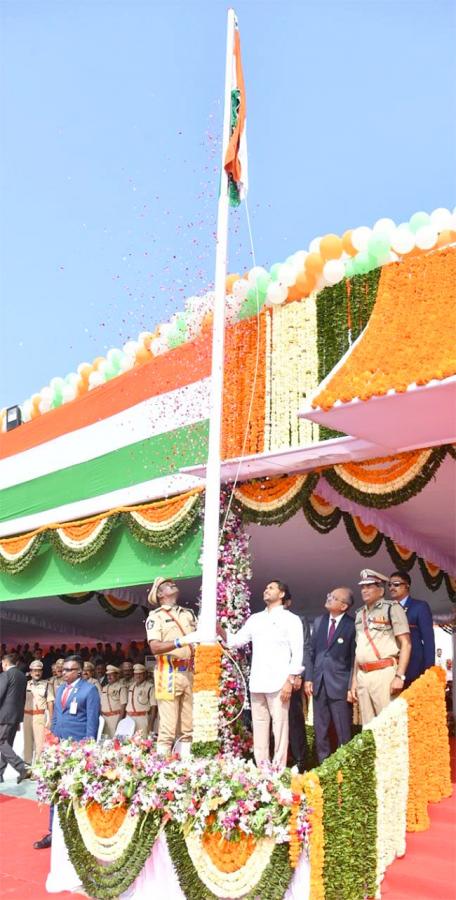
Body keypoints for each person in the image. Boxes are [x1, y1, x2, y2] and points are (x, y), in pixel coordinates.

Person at [219, 580, 303, 769]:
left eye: (271, 587)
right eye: (265, 587)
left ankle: (279, 768)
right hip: (258, 681)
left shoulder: (291, 619)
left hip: (279, 682)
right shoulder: (255, 619)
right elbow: (236, 641)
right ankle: (262, 769)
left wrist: (290, 680)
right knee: (259, 726)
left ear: (281, 594)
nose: (266, 589)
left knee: (280, 727)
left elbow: (297, 653)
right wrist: (219, 630)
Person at [34, 655, 101, 849]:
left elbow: (92, 723)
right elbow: (57, 717)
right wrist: (52, 739)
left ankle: (78, 833)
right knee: (56, 788)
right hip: (59, 747)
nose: (63, 673)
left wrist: (88, 749)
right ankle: (54, 832)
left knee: (76, 790)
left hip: (77, 748)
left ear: (78, 671)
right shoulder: (61, 688)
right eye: (62, 670)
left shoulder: (90, 690)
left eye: (67, 670)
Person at [351, 569, 411, 725]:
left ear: (381, 589)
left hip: (384, 672)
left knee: (389, 725)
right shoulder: (360, 614)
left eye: (369, 586)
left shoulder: (392, 608)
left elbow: (406, 643)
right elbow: (359, 649)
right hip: (363, 674)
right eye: (362, 587)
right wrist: (354, 681)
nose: (364, 590)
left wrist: (399, 676)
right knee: (368, 727)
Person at [146, 577, 197, 755]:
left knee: (188, 724)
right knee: (167, 725)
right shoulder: (156, 617)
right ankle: (162, 768)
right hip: (167, 672)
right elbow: (154, 647)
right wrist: (180, 641)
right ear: (160, 594)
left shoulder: (188, 613)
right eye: (167, 584)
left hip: (189, 671)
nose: (172, 584)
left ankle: (186, 765)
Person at [305, 587, 356, 763]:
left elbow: (353, 659)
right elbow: (311, 652)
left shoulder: (352, 625)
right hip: (319, 684)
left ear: (344, 606)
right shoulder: (319, 621)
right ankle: (323, 767)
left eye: (334, 598)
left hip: (340, 686)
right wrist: (309, 678)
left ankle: (346, 766)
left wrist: (350, 686)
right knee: (321, 730)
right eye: (329, 595)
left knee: (343, 730)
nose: (329, 598)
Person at [388, 571, 435, 686]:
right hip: (390, 667)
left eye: (396, 584)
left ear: (407, 586)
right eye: (389, 585)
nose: (392, 588)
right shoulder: (387, 608)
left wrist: (429, 671)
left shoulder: (419, 606)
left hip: (413, 666)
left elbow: (428, 640)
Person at [283, 596, 311, 772]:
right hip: (271, 679)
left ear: (288, 602)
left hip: (291, 677)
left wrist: (299, 675)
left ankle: (300, 759)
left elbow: (304, 648)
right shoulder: (265, 621)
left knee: (294, 718)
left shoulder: (298, 620)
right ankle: (280, 758)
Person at [0, 653, 31, 784]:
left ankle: (21, 767)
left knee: (2, 743)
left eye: (2, 663)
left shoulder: (5, 675)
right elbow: (22, 698)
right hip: (15, 715)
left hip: (4, 715)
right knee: (7, 744)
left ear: (5, 663)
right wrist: (19, 717)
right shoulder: (22, 676)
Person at [23, 660, 54, 766]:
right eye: (35, 670)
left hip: (39, 716)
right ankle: (27, 766)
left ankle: (37, 767)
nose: (37, 673)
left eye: (39, 671)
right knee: (27, 742)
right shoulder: (26, 684)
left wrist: (51, 718)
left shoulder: (47, 685)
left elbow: (50, 702)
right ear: (30, 672)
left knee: (39, 743)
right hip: (26, 715)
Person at [125, 664, 157, 737]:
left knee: (142, 742)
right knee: (128, 740)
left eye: (140, 674)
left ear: (145, 674)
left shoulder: (150, 687)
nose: (138, 676)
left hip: (142, 719)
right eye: (136, 674)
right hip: (129, 718)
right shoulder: (131, 686)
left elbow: (153, 707)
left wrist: (151, 724)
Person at [100, 666, 127, 737]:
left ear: (117, 675)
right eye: (108, 675)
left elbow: (123, 705)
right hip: (104, 718)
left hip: (115, 717)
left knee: (115, 741)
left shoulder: (121, 687)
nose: (109, 677)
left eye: (111, 675)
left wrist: (120, 721)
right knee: (105, 740)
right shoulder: (105, 688)